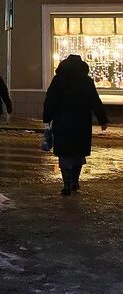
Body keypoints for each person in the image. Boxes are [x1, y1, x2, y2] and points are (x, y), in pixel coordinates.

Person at [42, 54, 108, 195]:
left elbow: (50, 100)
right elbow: (95, 101)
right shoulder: (86, 81)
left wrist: (47, 118)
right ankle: (74, 181)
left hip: (62, 121)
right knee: (78, 152)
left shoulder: (58, 80)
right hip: (81, 122)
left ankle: (66, 185)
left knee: (64, 153)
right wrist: (103, 119)